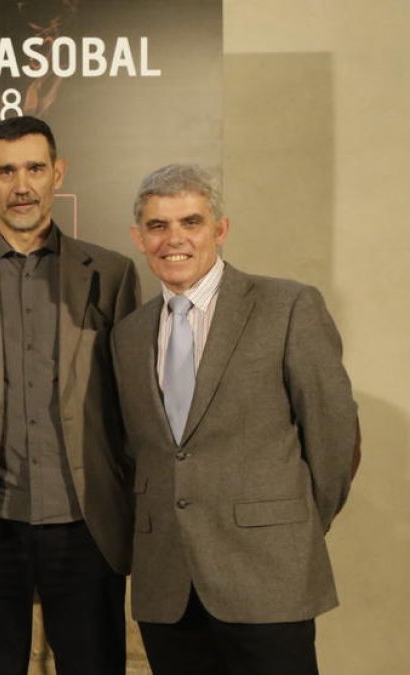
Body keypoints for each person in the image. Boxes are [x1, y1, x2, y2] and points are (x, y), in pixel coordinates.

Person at [111, 164, 358, 675]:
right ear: (139, 237)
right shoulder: (128, 335)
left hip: (268, 576)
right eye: (158, 226)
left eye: (191, 222)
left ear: (220, 230)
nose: (173, 239)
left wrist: (290, 526)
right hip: (169, 585)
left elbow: (334, 437)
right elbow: (138, 452)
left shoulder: (287, 306)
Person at [0, 115, 140, 675]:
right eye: (7, 171)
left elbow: (135, 407)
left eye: (35, 168)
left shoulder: (111, 275)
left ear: (57, 173)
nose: (22, 185)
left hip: (85, 519)